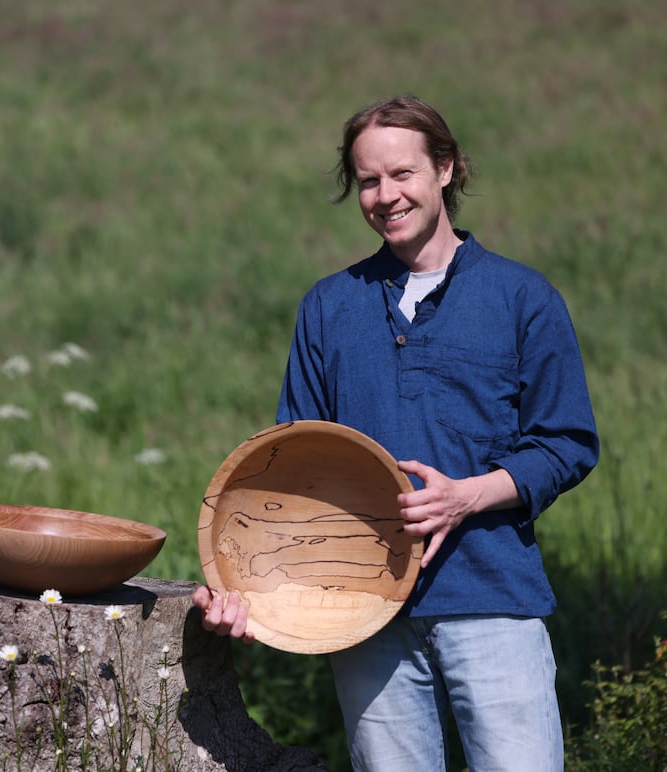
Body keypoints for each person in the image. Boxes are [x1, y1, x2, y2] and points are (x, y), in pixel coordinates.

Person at [192, 95, 599, 771]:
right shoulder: (329, 306)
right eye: (370, 181)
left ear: (445, 169)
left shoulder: (522, 298)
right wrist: (247, 588)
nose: (386, 195)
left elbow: (566, 443)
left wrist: (465, 496)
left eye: (402, 174)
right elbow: (290, 470)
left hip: (491, 598)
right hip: (359, 611)